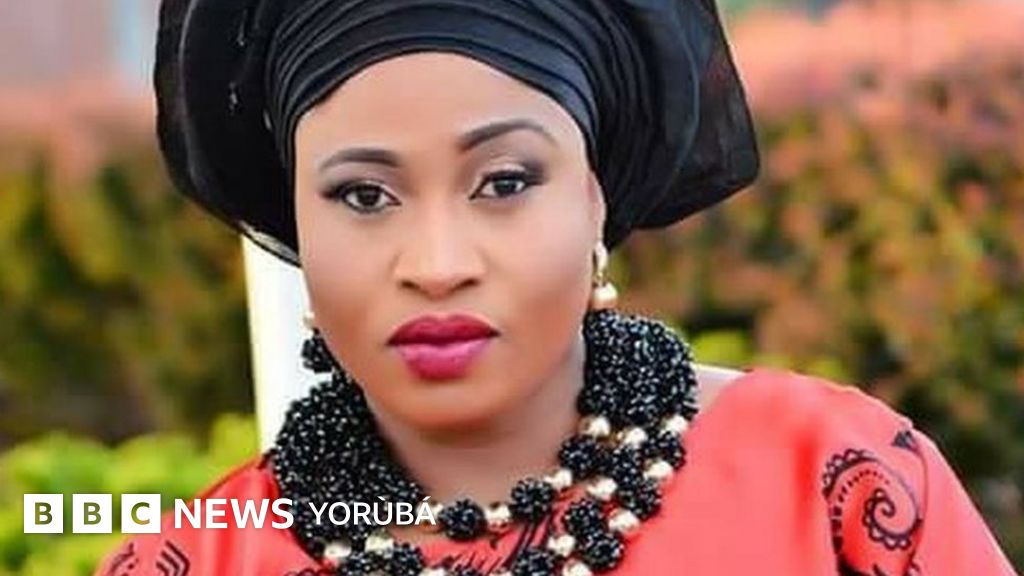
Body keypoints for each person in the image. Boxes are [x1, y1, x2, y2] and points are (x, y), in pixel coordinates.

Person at [96, 0, 1016, 574]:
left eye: (504, 182)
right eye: (364, 196)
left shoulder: (832, 482)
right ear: (299, 225)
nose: (436, 262)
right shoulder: (199, 559)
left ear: (594, 197)